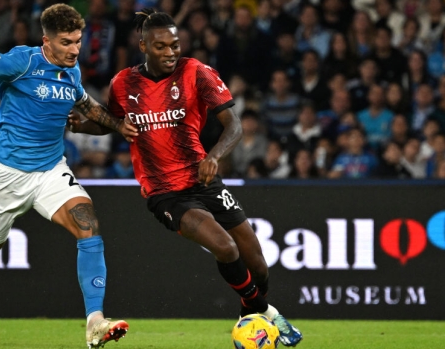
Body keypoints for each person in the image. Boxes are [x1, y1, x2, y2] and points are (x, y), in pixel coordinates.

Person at [68, 8, 303, 347]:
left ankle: (250, 317)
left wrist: (214, 156)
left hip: (205, 180)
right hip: (165, 193)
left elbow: (234, 125)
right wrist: (84, 123)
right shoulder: (124, 83)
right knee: (225, 247)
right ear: (144, 46)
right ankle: (266, 315)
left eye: (174, 45)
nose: (170, 52)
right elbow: (114, 124)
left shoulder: (196, 72)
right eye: (161, 46)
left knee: (259, 266)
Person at [0, 4, 134, 349]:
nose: (74, 49)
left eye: (78, 41)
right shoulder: (24, 60)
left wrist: (119, 126)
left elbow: (88, 107)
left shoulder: (71, 71)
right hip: (7, 175)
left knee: (88, 223)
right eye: (66, 42)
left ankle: (95, 322)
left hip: (51, 170)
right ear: (47, 41)